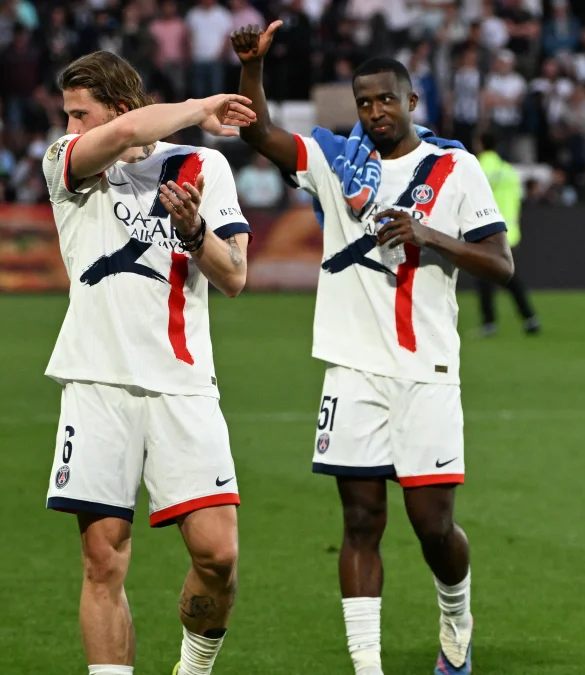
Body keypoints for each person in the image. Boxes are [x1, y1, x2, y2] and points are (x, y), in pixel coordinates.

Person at [233, 22, 514, 675]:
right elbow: (260, 132)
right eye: (364, 102)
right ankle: (368, 666)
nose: (376, 111)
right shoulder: (336, 162)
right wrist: (254, 68)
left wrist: (430, 236)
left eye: (387, 99)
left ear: (412, 101)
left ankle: (456, 617)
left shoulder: (453, 169)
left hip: (426, 369)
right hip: (352, 369)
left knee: (432, 525)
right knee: (360, 521)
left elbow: (501, 264)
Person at [40, 51, 256, 675]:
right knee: (102, 562)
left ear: (118, 105)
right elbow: (130, 133)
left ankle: (193, 668)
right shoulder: (67, 162)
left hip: (183, 385)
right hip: (97, 383)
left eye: (81, 113)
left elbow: (235, 276)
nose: (71, 127)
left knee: (218, 556)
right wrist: (202, 106)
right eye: (68, 114)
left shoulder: (204, 166)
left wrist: (194, 232)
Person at [475, 130, 540, 336]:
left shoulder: (478, 166)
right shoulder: (509, 170)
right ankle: (529, 318)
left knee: (486, 278)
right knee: (507, 277)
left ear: (480, 144)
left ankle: (489, 323)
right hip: (510, 232)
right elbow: (517, 200)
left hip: (489, 232)